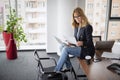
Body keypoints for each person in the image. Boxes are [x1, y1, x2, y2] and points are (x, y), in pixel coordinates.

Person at [48, 7, 95, 78]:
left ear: (82, 15)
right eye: (75, 17)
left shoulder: (88, 27)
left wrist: (82, 43)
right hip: (79, 47)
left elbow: (90, 43)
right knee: (62, 46)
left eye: (78, 16)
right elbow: (76, 40)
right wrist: (70, 42)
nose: (77, 19)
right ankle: (69, 66)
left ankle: (57, 71)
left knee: (66, 50)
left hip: (87, 50)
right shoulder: (76, 26)